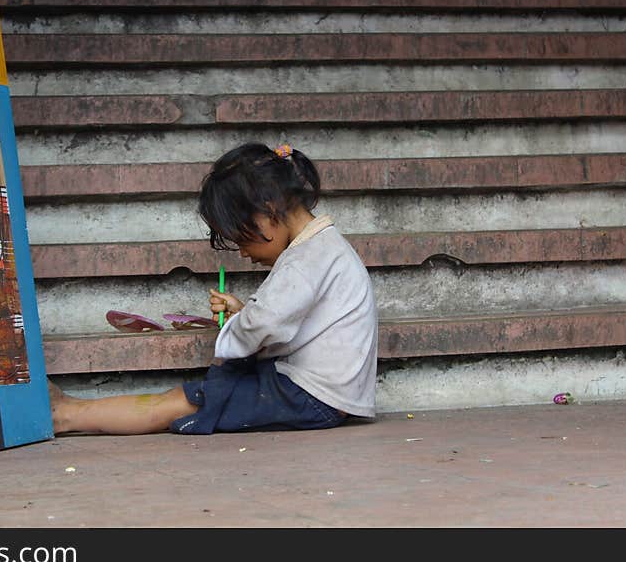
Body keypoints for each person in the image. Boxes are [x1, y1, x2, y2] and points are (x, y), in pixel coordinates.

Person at [48, 142, 378, 435]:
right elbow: (292, 319)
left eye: (241, 240)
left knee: (182, 401)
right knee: (186, 397)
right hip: (322, 392)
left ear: (267, 213)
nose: (246, 254)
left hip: (310, 396)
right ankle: (75, 409)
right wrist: (244, 312)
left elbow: (265, 324)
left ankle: (64, 416)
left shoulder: (305, 260)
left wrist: (230, 339)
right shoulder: (321, 248)